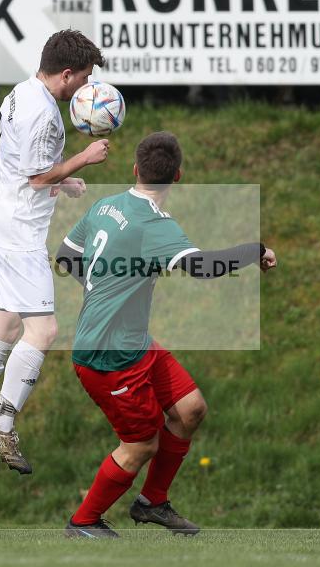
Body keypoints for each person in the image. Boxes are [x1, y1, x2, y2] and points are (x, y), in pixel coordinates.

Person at [55, 132, 277, 537]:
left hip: (134, 344)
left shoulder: (107, 205)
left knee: (190, 409)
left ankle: (152, 502)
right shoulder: (154, 225)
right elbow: (202, 268)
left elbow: (67, 256)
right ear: (178, 176)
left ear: (135, 169)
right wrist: (255, 250)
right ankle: (83, 522)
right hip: (109, 358)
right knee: (141, 445)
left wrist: (105, 287)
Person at [0, 30, 110, 474]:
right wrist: (83, 158)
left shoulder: (21, 93)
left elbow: (23, 167)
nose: (86, 86)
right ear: (66, 74)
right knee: (44, 331)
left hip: (0, 220)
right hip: (18, 235)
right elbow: (36, 178)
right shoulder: (44, 114)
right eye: (85, 77)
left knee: (6, 324)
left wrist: (62, 181)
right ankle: (1, 423)